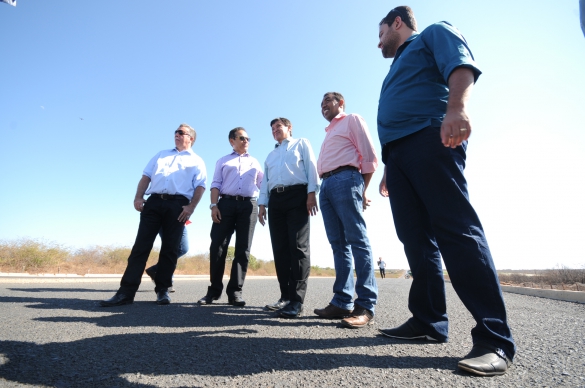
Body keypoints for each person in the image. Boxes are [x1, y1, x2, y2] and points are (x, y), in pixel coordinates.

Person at [375, 6, 516, 376]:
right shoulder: (398, 65)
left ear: (398, 23)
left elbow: (461, 67)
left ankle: (494, 339)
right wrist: (391, 164)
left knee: (455, 229)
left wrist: (457, 108)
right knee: (415, 240)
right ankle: (428, 321)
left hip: (431, 137)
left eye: (380, 34)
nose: (378, 44)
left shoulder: (434, 33)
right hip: (400, 156)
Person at [100, 124, 206, 307]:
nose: (177, 135)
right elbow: (146, 177)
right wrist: (138, 197)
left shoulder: (197, 161)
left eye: (181, 133)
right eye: (176, 132)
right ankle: (125, 292)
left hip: (177, 206)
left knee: (170, 249)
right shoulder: (161, 154)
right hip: (154, 202)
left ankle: (163, 290)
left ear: (191, 138)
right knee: (140, 247)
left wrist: (191, 207)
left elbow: (200, 186)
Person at [313, 92, 379, 329]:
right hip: (327, 185)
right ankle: (341, 301)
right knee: (338, 245)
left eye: (327, 103)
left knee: (357, 240)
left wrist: (362, 189)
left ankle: (365, 306)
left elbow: (370, 158)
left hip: (346, 178)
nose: (323, 107)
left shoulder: (352, 119)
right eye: (321, 105)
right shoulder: (329, 132)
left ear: (340, 103)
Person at [258, 117, 319, 318]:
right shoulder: (271, 155)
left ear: (289, 128)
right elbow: (266, 181)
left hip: (297, 196)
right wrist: (262, 205)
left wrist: (311, 193)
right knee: (280, 249)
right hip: (276, 200)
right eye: (273, 128)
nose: (275, 130)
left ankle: (296, 300)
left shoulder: (301, 143)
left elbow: (311, 167)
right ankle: (285, 296)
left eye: (279, 127)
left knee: (298, 247)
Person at [197, 127, 263, 307]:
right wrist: (213, 206)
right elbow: (215, 184)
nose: (246, 141)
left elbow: (262, 184)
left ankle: (235, 292)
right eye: (242, 138)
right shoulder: (223, 161)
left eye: (248, 138)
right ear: (232, 141)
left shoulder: (255, 162)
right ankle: (213, 291)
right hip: (225, 204)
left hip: (249, 205)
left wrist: (264, 205)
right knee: (218, 247)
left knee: (243, 249)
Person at [144, 227, 189, 293]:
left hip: (181, 222)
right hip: (166, 221)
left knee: (179, 249)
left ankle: (159, 273)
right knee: (175, 249)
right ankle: (167, 281)